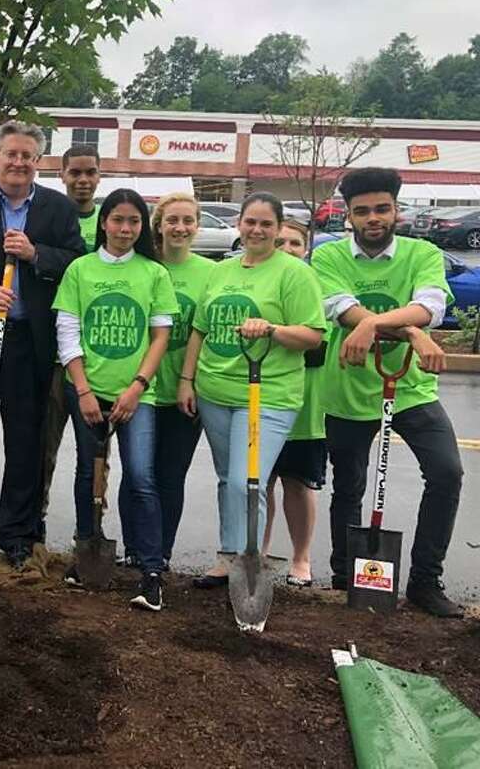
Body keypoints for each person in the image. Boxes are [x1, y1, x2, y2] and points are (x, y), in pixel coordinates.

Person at [313, 167, 463, 617]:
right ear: (349, 216)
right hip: (349, 391)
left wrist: (378, 323)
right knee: (349, 488)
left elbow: (431, 305)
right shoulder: (329, 257)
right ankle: (346, 578)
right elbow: (342, 311)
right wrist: (413, 333)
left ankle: (424, 581)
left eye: (382, 208)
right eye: (362, 211)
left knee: (446, 474)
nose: (373, 218)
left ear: (397, 211)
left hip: (411, 389)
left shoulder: (423, 253)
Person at [177, 193, 326, 588]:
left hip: (268, 394)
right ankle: (228, 557)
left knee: (249, 480)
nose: (257, 230)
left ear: (278, 229)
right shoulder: (220, 271)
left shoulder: (293, 273)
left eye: (266, 224)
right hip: (214, 390)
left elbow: (313, 335)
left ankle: (249, 560)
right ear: (239, 224)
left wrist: (273, 329)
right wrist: (187, 380)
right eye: (250, 222)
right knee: (228, 478)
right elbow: (200, 329)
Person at [54, 189, 178, 609]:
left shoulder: (154, 274)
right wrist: (84, 390)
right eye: (118, 220)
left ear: (143, 227)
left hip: (137, 394)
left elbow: (161, 335)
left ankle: (150, 569)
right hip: (87, 391)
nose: (125, 229)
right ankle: (85, 551)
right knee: (88, 476)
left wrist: (138, 386)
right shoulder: (80, 270)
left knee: (141, 478)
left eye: (134, 222)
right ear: (104, 222)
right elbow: (67, 333)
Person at [0, 121, 84, 568]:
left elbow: (77, 262)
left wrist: (36, 255)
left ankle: (17, 535)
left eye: (27, 157)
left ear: (39, 163)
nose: (18, 163)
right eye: (10, 154)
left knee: (24, 442)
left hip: (29, 341)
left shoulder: (56, 209)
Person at [150, 194, 216, 570]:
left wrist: (188, 380)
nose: (180, 227)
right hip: (142, 391)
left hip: (185, 391)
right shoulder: (144, 266)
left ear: (197, 225)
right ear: (159, 224)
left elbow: (203, 330)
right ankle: (139, 546)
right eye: (172, 220)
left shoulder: (212, 272)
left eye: (187, 221)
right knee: (140, 475)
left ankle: (161, 551)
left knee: (171, 475)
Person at [261, 219, 325, 587]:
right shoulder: (260, 282)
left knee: (298, 483)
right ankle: (261, 552)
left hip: (303, 404)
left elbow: (316, 347)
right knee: (261, 483)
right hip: (261, 397)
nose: (287, 249)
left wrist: (276, 331)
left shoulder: (311, 285)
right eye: (280, 242)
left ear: (306, 249)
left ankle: (301, 558)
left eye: (295, 244)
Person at [39, 144, 101, 523]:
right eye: (74, 172)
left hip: (96, 360)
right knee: (42, 449)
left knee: (94, 456)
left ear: (99, 176)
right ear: (61, 175)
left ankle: (90, 531)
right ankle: (35, 526)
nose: (82, 180)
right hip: (51, 354)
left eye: (89, 172)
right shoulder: (48, 218)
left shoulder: (111, 221)